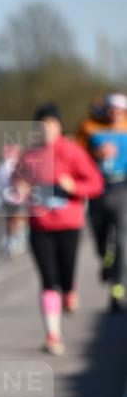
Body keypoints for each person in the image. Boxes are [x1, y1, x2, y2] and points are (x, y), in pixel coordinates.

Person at [14, 104, 103, 355]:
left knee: (65, 278)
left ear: (59, 126)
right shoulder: (29, 155)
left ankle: (70, 292)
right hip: (39, 226)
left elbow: (95, 183)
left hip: (68, 225)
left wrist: (74, 186)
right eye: (42, 124)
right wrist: (19, 187)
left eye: (51, 124)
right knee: (48, 280)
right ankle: (52, 335)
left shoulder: (72, 151)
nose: (47, 129)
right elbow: (14, 182)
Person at [77, 92, 127, 312]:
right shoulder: (89, 128)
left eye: (119, 109)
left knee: (122, 241)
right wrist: (96, 154)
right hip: (97, 193)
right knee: (100, 239)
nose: (114, 113)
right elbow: (77, 156)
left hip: (122, 191)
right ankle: (105, 259)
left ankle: (117, 287)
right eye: (111, 108)